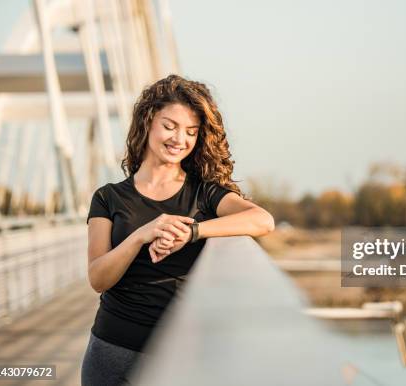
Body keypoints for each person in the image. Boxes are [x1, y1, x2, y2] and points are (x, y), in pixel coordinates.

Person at [80, 75, 274, 385]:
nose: (179, 139)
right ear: (148, 122)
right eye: (169, 126)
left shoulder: (204, 194)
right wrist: (142, 234)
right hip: (112, 352)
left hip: (178, 357)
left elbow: (263, 221)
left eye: (190, 132)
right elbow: (98, 278)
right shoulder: (108, 197)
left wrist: (194, 231)